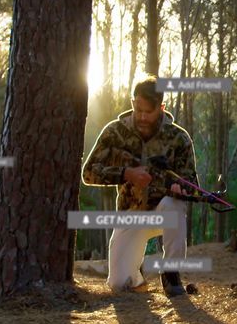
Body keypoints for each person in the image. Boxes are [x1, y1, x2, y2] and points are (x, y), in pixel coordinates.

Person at [82, 75, 198, 297]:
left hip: (164, 212)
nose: (142, 116)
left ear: (161, 107)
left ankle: (171, 273)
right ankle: (136, 277)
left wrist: (180, 188)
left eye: (149, 111)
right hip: (131, 213)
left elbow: (192, 183)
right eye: (138, 109)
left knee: (173, 205)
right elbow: (88, 173)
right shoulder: (114, 131)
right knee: (118, 284)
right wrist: (126, 174)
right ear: (133, 103)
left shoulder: (179, 138)